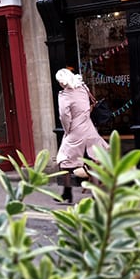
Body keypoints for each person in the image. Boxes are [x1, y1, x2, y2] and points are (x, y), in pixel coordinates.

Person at [55, 68, 109, 203]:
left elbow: (64, 116)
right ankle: (96, 194)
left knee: (63, 160)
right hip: (89, 128)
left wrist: (67, 130)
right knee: (93, 160)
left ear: (62, 81)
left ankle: (67, 193)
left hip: (75, 130)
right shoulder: (83, 87)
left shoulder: (64, 95)